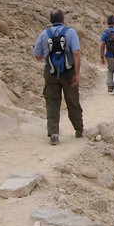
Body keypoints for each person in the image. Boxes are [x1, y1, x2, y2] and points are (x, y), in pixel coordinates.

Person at [33, 9, 83, 145]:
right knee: (72, 100)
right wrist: (76, 74)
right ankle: (78, 129)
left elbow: (37, 54)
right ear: (63, 20)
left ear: (51, 20)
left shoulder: (44, 34)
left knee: (52, 102)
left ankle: (54, 133)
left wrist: (49, 59)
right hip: (69, 72)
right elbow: (76, 53)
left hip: (51, 72)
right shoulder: (70, 32)